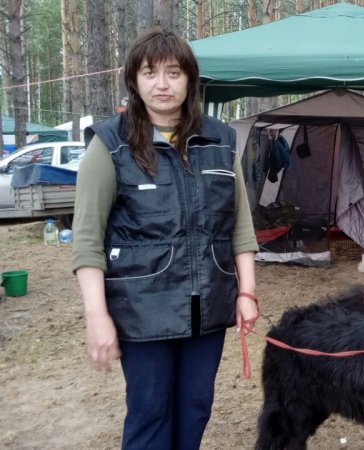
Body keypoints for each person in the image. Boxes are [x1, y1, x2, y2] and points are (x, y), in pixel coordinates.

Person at [71, 28, 259, 450]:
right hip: (142, 311)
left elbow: (240, 224)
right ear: (134, 81)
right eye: (150, 72)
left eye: (173, 72)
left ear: (190, 79)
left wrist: (246, 291)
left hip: (207, 306)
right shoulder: (109, 146)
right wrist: (96, 316)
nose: (162, 83)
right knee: (150, 411)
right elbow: (87, 240)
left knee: (196, 407)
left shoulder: (220, 140)